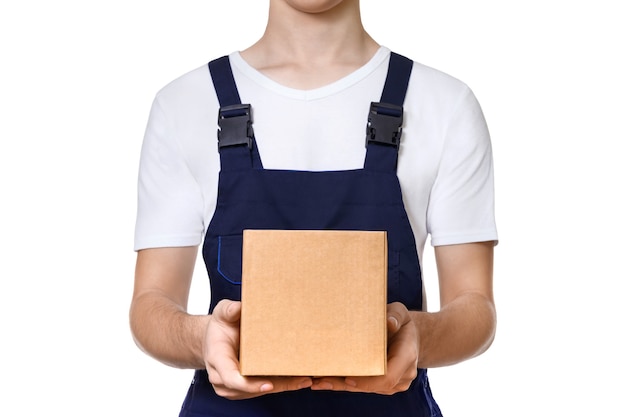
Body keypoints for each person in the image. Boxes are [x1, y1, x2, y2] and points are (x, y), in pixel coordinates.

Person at [130, 0, 498, 415]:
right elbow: (150, 305)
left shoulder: (443, 104)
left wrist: (419, 336)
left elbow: (475, 307)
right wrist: (202, 338)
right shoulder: (184, 103)